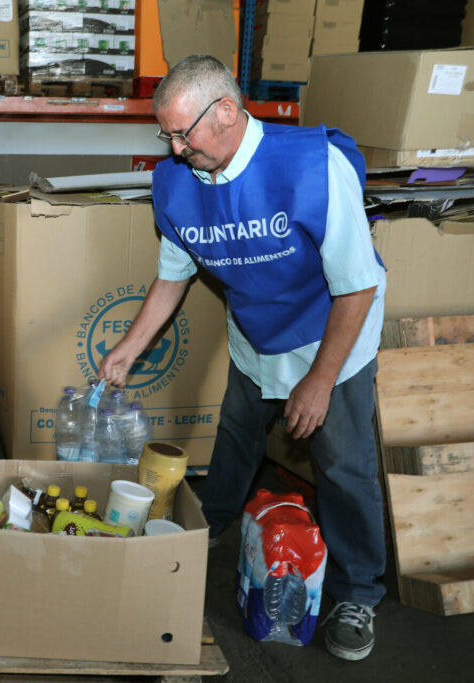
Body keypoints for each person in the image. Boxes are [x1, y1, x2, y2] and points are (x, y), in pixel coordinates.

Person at [99, 54, 387, 662]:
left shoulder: (312, 168)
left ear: (227, 111)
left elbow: (357, 286)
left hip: (330, 333)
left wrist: (319, 381)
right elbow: (172, 278)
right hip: (256, 334)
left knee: (342, 465)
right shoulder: (178, 182)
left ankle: (357, 591)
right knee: (235, 435)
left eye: (185, 132)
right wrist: (128, 348)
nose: (175, 149)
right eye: (166, 135)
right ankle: (212, 527)